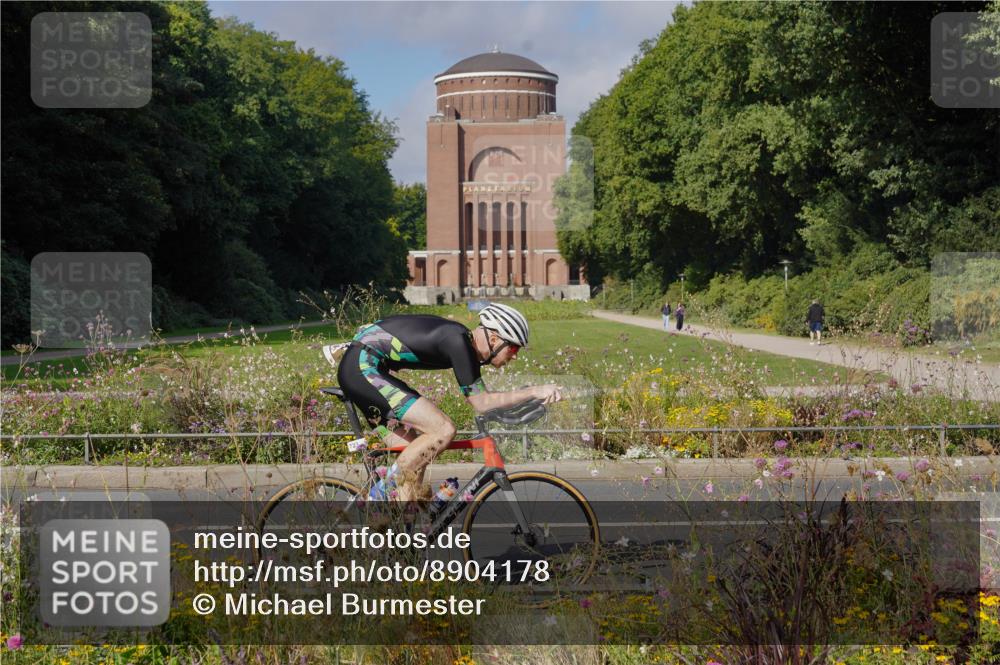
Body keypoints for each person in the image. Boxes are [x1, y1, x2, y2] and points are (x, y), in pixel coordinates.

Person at [325, 304, 561, 502]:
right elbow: (482, 403)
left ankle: (400, 540)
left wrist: (520, 402)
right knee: (443, 429)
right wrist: (534, 391)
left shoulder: (461, 342)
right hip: (363, 368)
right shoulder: (458, 342)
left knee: (416, 457)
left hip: (365, 368)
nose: (516, 355)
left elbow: (486, 400)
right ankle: (379, 497)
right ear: (493, 338)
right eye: (513, 347)